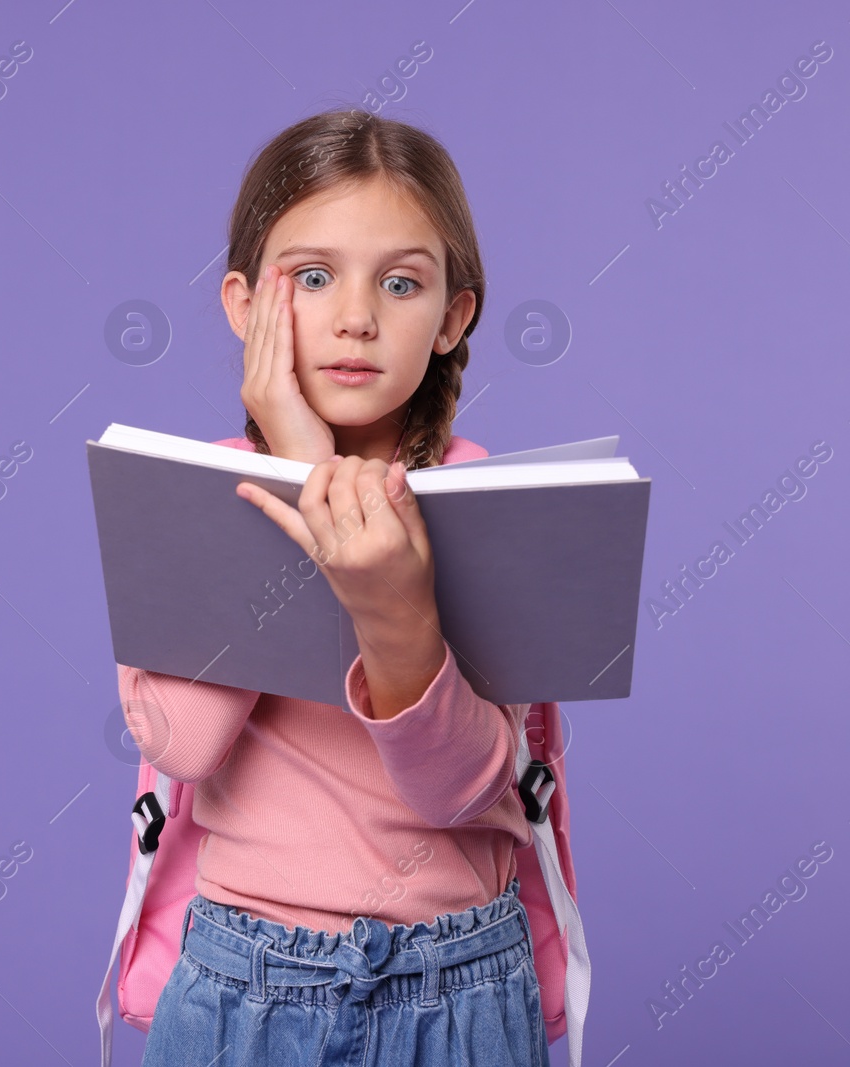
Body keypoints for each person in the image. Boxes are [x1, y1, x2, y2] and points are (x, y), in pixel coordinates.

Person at [122, 108, 549, 1067]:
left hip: (462, 985)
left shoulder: (488, 504)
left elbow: (460, 788)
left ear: (452, 317)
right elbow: (185, 743)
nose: (357, 314)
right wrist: (300, 467)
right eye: (313, 277)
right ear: (242, 306)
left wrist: (396, 603)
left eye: (401, 283)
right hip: (246, 981)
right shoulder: (186, 495)